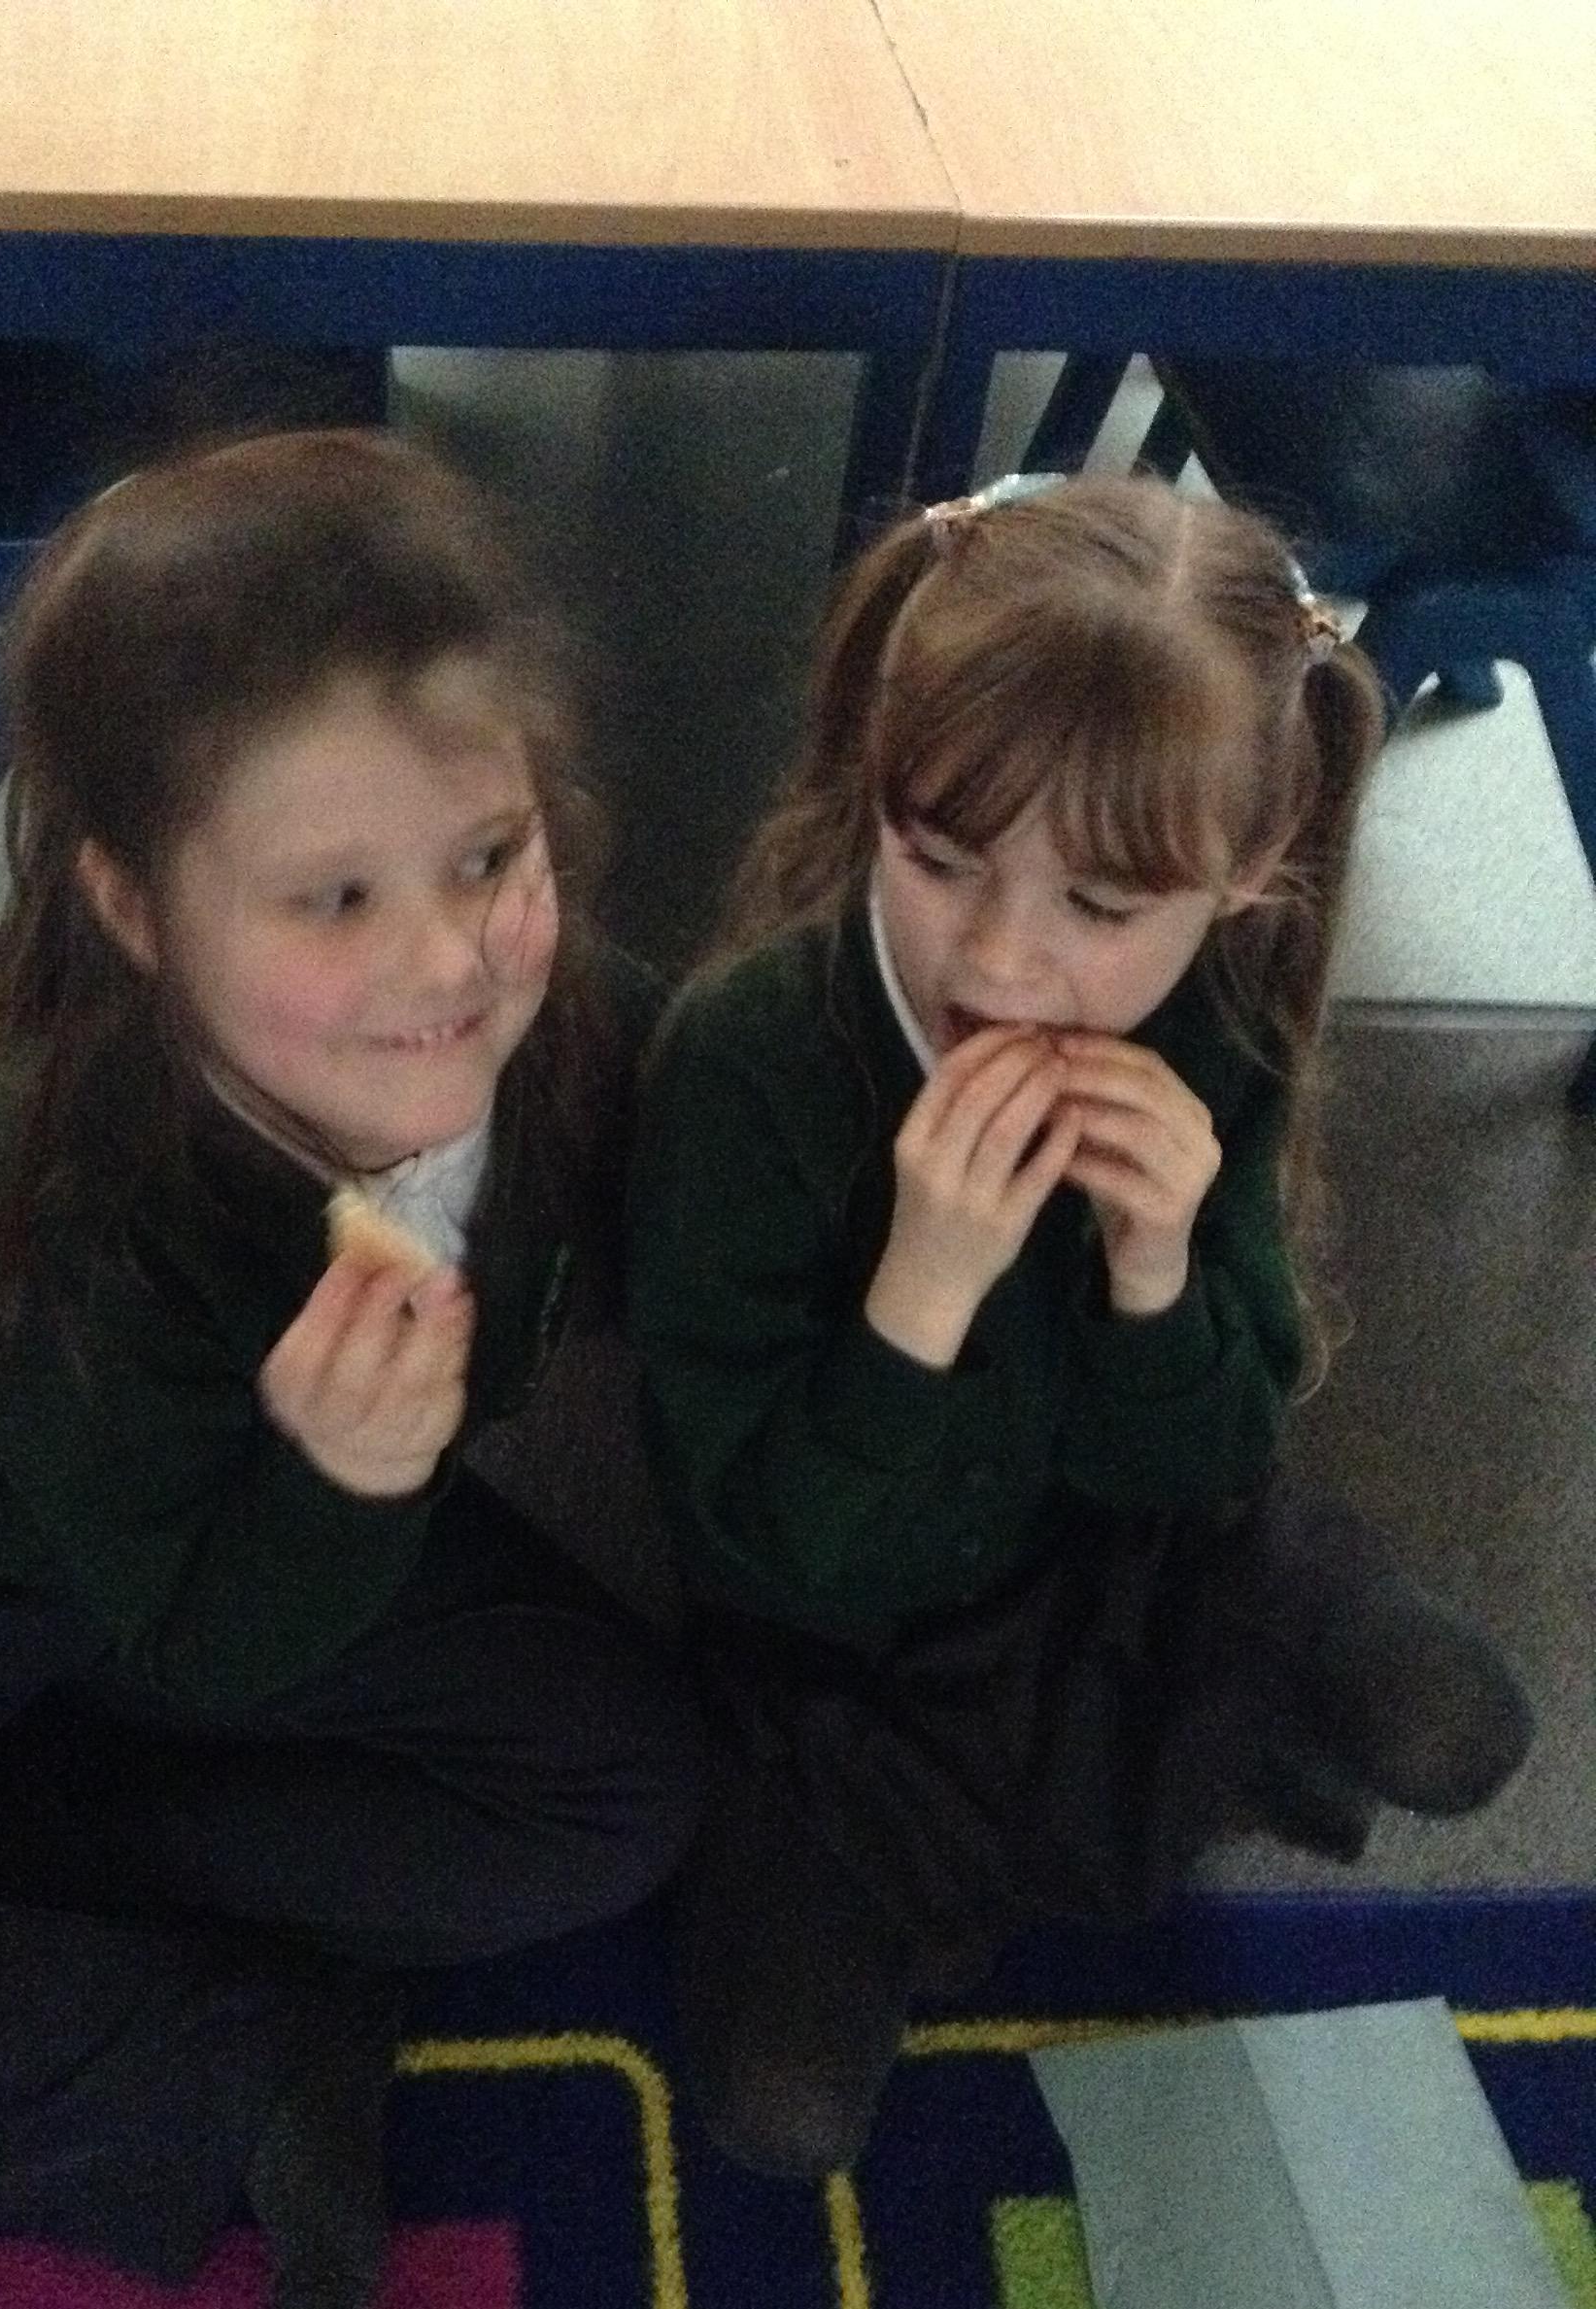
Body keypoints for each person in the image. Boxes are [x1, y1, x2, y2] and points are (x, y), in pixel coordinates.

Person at [0, 429, 699, 2309]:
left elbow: (730, 1180)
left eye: (488, 859)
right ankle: (225, 2052)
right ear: (141, 911)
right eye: (331, 897)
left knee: (624, 1795)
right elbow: (201, 1629)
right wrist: (344, 1487)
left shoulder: (562, 1016)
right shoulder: (55, 1194)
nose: (446, 962)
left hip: (241, 1536)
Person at [627, 471, 1532, 2180]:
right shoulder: (747, 1065)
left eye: (1101, 911)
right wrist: (920, 1297)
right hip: (842, 1657)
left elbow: (1209, 1465)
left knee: (1459, 1729)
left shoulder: (1214, 1034)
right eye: (937, 860)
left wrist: (1156, 1269)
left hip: (1130, 1563)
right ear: (876, 782)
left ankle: (1155, 1747)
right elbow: (756, 1551)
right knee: (780, 2115)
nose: (1002, 960)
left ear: (1245, 875)